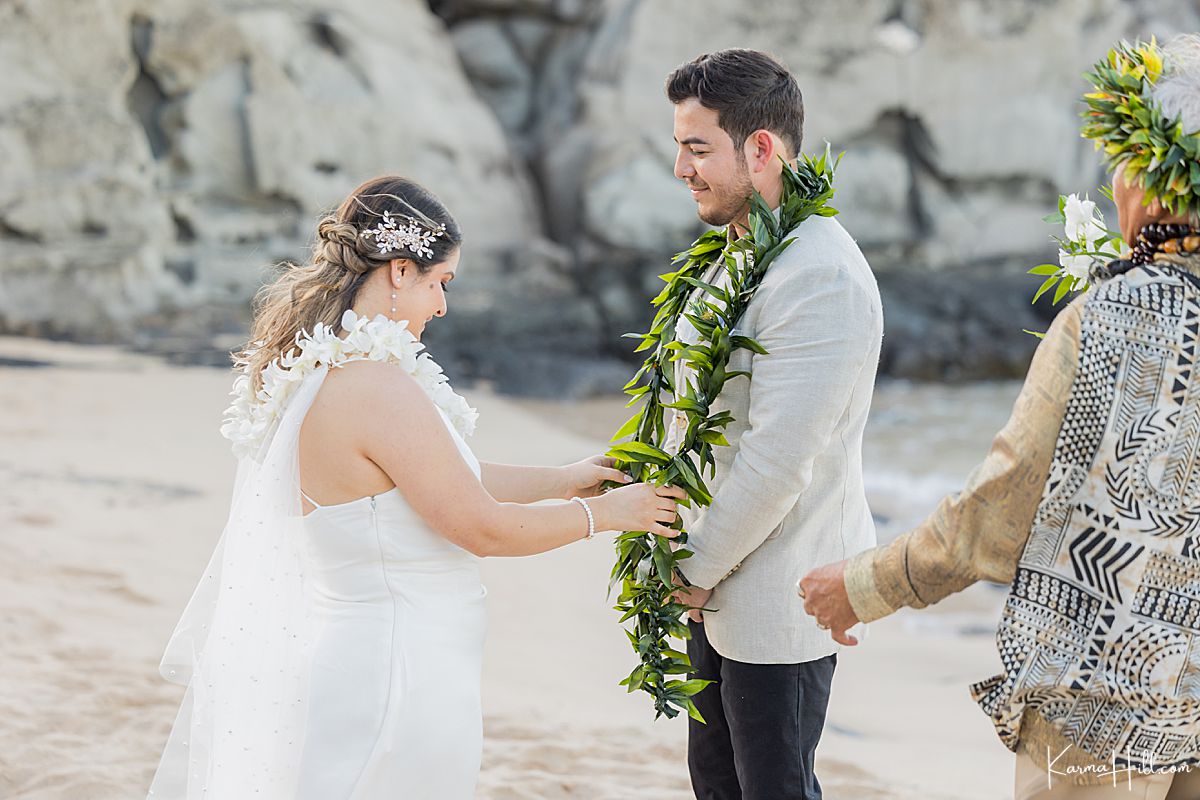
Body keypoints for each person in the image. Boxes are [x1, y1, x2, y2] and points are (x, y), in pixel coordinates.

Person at [146, 175, 685, 799]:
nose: (443, 306)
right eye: (441, 283)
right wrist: (614, 514)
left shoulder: (334, 369)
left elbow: (442, 482)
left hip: (384, 658)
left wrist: (567, 481)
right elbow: (477, 525)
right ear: (401, 272)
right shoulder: (374, 386)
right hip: (397, 670)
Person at [800, 34, 1200, 800]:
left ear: (1156, 184)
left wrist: (871, 583)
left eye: (1124, 166)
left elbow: (1007, 499)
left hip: (1099, 694)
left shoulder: (1113, 313)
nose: (1115, 185)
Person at [664, 49, 884, 799]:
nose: (681, 169)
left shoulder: (818, 273)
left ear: (760, 148)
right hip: (717, 578)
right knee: (716, 784)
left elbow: (776, 463)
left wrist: (688, 572)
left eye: (698, 148)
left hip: (776, 594)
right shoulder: (741, 253)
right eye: (679, 148)